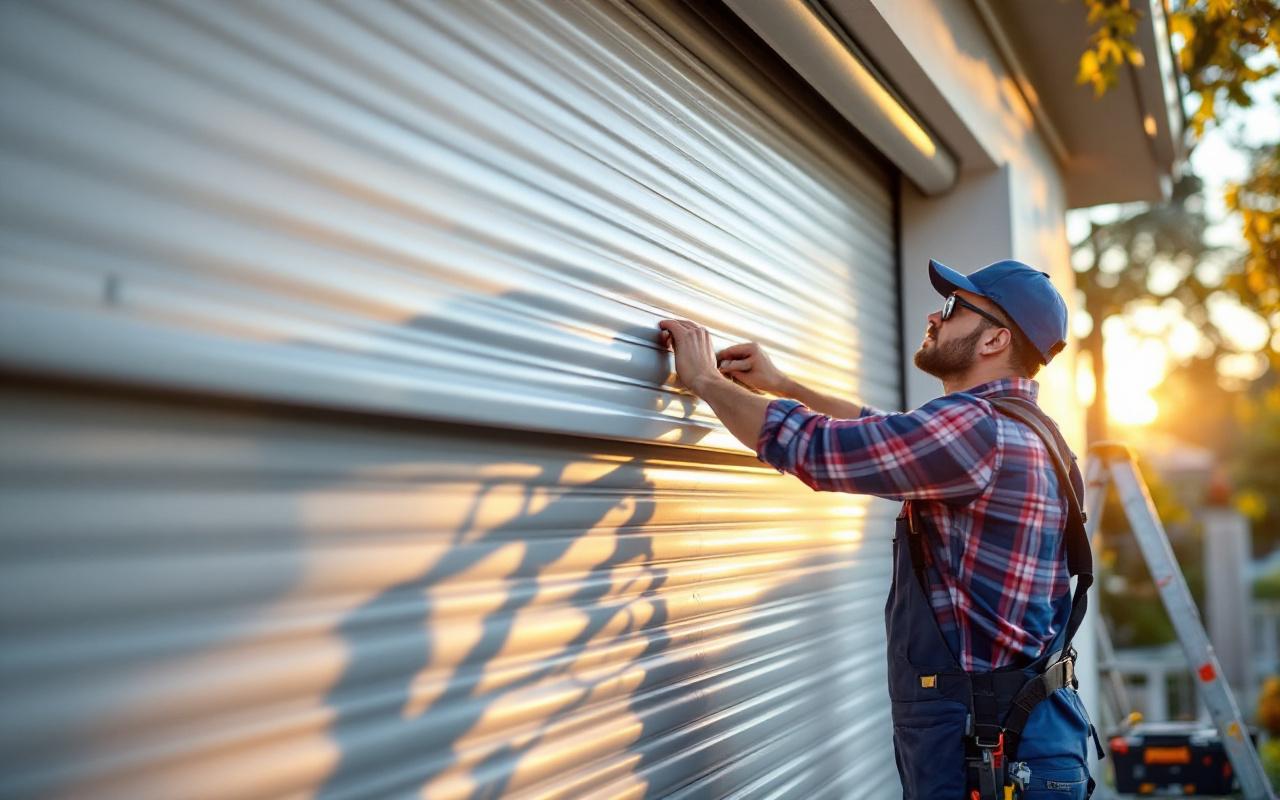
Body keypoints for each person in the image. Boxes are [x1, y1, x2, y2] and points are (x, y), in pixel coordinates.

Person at [658, 259, 1101, 799]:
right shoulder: (1025, 429)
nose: (934, 318)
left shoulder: (977, 430)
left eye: (953, 308)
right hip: (1021, 731)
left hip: (989, 745)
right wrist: (782, 385)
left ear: (995, 340)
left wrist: (703, 380)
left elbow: (817, 450)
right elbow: (885, 432)